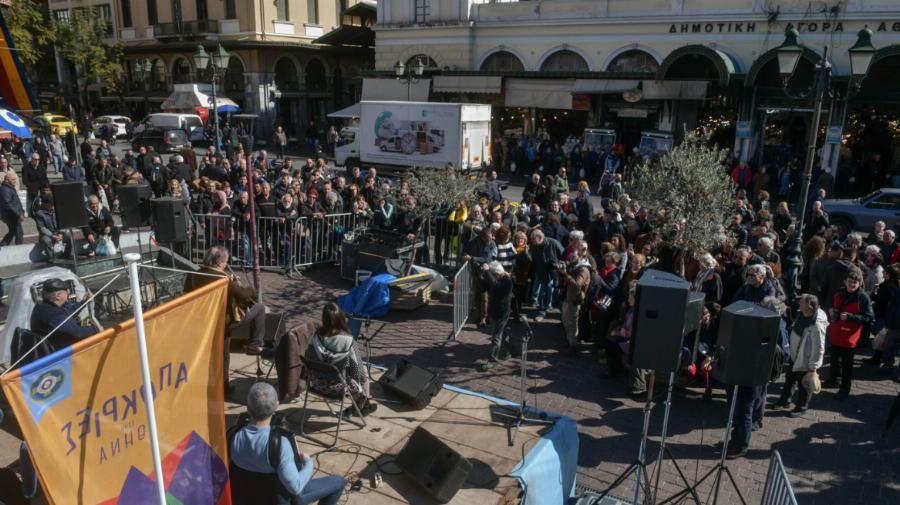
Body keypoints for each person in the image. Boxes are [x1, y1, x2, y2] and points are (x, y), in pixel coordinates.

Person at [229, 382, 345, 505]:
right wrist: (308, 463)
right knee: (338, 482)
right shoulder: (279, 443)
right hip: (277, 499)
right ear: (276, 406)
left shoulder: (232, 435)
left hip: (246, 497)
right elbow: (295, 487)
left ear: (248, 408)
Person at [184, 246, 267, 378]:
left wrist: (231, 281)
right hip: (222, 323)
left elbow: (187, 294)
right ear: (219, 262)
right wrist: (248, 288)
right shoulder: (223, 279)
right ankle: (255, 344)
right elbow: (245, 296)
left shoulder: (194, 275)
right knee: (260, 308)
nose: (226, 264)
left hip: (201, 320)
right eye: (226, 261)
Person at [305, 303, 377, 415]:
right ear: (341, 319)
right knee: (363, 372)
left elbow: (308, 358)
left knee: (346, 371)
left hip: (314, 384)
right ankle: (363, 406)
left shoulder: (315, 337)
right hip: (338, 390)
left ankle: (361, 404)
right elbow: (358, 374)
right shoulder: (348, 341)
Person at [824, 267, 874, 399]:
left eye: (855, 282)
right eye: (850, 281)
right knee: (834, 359)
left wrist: (851, 317)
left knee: (847, 364)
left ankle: (845, 389)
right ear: (845, 281)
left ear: (859, 283)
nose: (852, 284)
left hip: (849, 337)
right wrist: (830, 309)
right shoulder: (839, 292)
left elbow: (869, 318)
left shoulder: (863, 298)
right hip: (836, 333)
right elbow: (830, 302)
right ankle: (834, 380)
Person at [775, 294, 827, 417]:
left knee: (804, 385)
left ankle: (801, 407)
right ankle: (785, 400)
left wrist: (813, 367)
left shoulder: (817, 325)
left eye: (802, 302)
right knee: (790, 380)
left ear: (809, 306)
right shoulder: (802, 314)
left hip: (805, 360)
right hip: (795, 356)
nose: (799, 304)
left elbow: (819, 347)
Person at [30, 278, 103, 349]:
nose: (68, 292)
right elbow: (76, 333)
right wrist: (96, 329)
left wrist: (84, 302)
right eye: (66, 290)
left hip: (55, 345)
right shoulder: (54, 315)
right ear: (58, 296)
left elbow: (68, 312)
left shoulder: (43, 306)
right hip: (60, 353)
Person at [479, 261, 515, 370]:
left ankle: (493, 360)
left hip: (502, 313)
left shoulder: (507, 281)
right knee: (500, 335)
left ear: (498, 274)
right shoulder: (494, 279)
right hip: (494, 311)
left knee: (496, 337)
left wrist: (487, 272)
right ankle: (511, 350)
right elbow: (483, 288)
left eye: (493, 275)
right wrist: (483, 276)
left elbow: (496, 286)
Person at [1, 171, 24, 246]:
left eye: (15, 179)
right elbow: (8, 204)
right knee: (19, 233)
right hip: (11, 216)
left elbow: (16, 201)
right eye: (13, 179)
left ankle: (2, 245)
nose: (15, 181)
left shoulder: (9, 187)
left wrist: (21, 211)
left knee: (13, 231)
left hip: (13, 215)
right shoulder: (5, 189)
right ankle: (19, 249)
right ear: (7, 180)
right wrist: (18, 214)